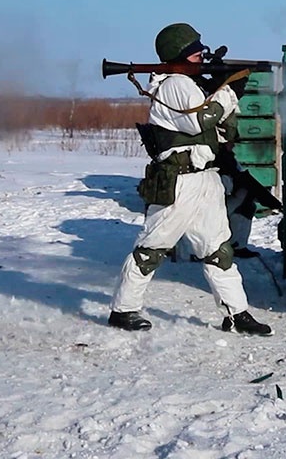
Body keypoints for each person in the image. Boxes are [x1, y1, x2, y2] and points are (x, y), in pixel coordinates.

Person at [107, 22, 273, 336]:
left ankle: (236, 313)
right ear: (179, 55)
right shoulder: (174, 85)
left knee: (218, 250)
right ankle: (124, 309)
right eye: (194, 50)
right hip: (180, 182)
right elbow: (201, 120)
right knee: (150, 250)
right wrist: (228, 92)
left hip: (204, 179)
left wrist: (218, 91)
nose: (201, 54)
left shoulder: (188, 84)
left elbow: (222, 130)